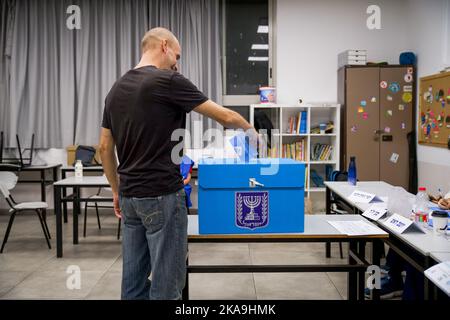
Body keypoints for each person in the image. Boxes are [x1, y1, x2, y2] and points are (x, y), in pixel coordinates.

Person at [99, 27, 255, 300]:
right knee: (167, 285)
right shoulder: (168, 80)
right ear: (164, 46)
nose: (177, 64)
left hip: (130, 198)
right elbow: (226, 117)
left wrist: (115, 189)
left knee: (133, 285)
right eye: (177, 56)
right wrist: (253, 133)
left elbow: (104, 148)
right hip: (162, 195)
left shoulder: (115, 89)